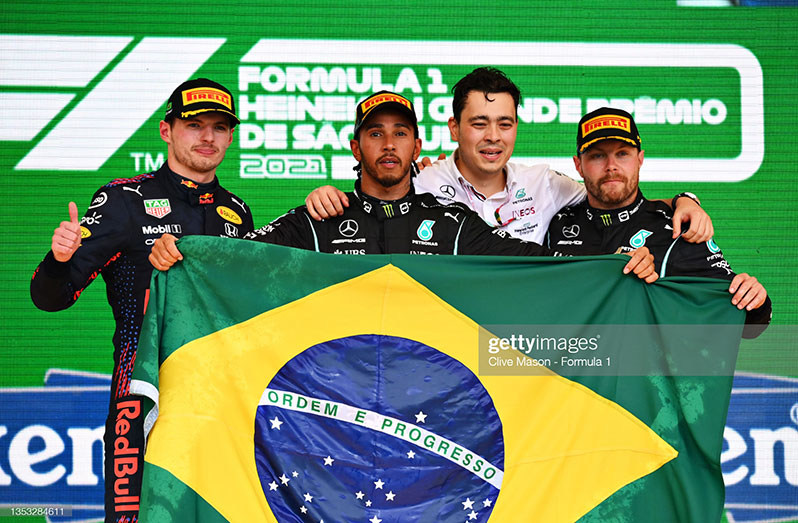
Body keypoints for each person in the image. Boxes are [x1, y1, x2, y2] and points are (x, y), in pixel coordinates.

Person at [30, 78, 254, 522]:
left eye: (220, 127)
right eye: (194, 125)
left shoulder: (237, 211)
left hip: (221, 399)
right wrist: (58, 259)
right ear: (166, 130)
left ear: (231, 135)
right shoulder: (125, 199)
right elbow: (50, 298)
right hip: (146, 391)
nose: (208, 137)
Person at [150, 91, 655, 284]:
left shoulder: (452, 222)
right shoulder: (320, 216)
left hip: (430, 391)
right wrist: (184, 251)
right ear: (354, 147)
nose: (388, 145)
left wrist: (615, 266)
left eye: (400, 134)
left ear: (418, 147)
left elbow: (531, 262)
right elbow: (240, 253)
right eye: (375, 134)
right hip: (334, 396)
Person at [304, 67, 713, 244]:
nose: (493, 138)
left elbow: (612, 194)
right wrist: (325, 196)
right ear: (453, 129)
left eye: (505, 123)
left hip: (515, 357)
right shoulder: (423, 180)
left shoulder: (545, 184)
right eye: (479, 123)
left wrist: (683, 202)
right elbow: (374, 202)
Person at [546, 107, 771, 337]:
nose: (611, 165)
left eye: (622, 153)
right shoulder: (554, 225)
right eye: (597, 155)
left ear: (640, 159)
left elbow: (747, 326)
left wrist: (756, 301)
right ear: (578, 165)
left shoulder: (675, 226)